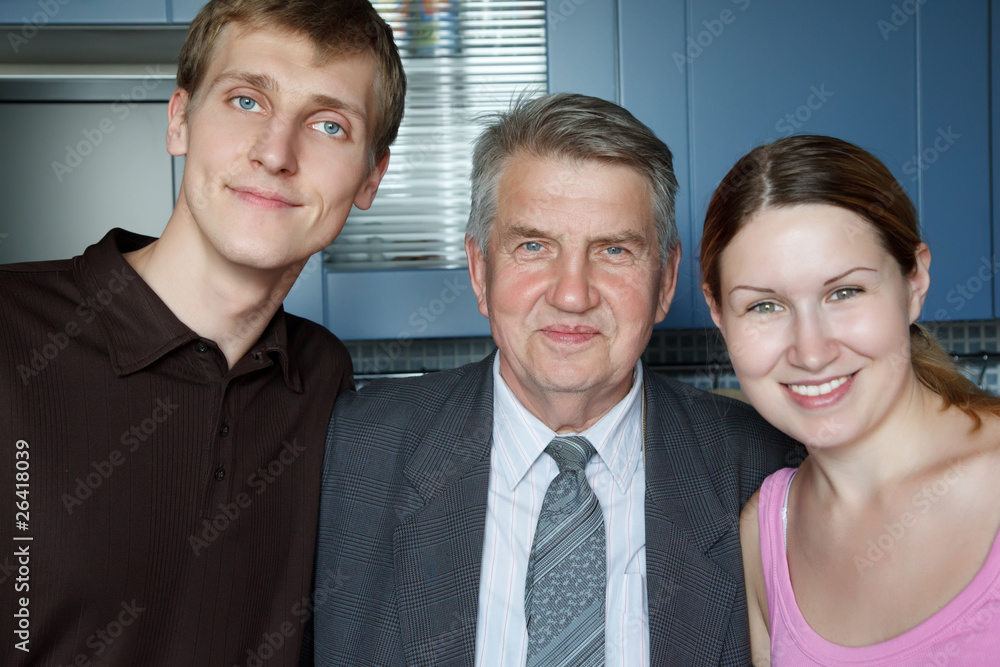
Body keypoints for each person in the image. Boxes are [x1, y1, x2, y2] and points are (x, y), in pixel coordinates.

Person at [312, 92, 797, 667]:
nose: (572, 294)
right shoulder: (353, 450)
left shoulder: (765, 468)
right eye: (534, 246)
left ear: (666, 280)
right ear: (479, 270)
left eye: (614, 250)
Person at [0, 1, 405, 665]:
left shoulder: (322, 376)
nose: (276, 153)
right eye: (246, 101)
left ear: (370, 177)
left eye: (329, 124)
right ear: (179, 119)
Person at [700, 134, 1000, 666]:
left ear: (914, 280)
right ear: (719, 313)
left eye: (845, 292)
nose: (811, 353)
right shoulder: (767, 533)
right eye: (765, 306)